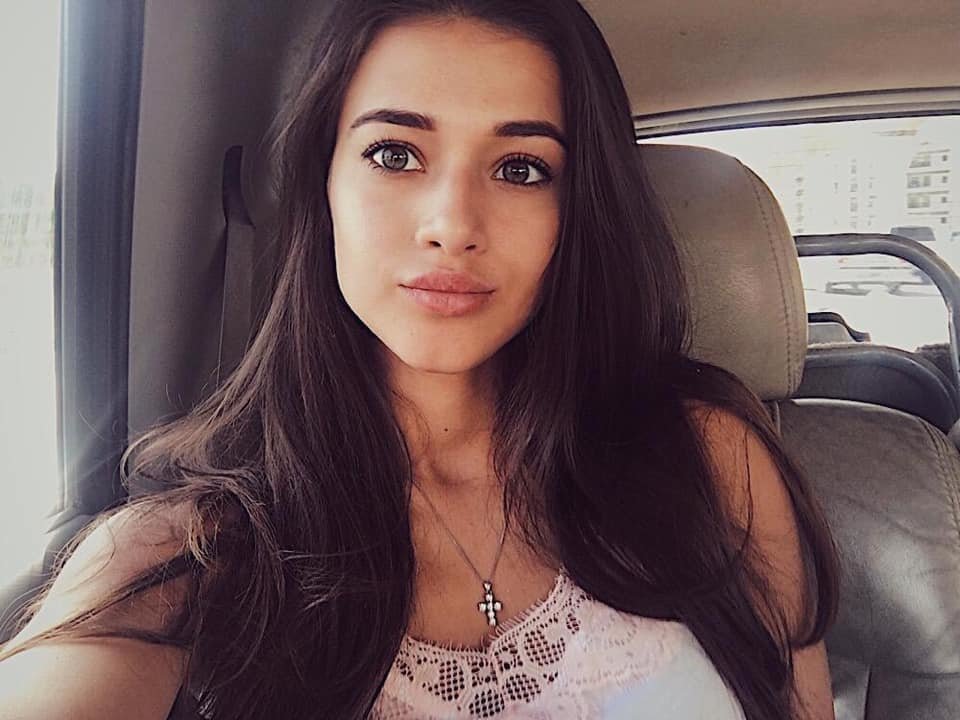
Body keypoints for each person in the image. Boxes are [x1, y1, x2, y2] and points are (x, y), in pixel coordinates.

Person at [0, 1, 840, 718]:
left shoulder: (711, 459)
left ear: (577, 213)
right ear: (324, 184)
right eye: (394, 154)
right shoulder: (184, 553)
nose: (452, 224)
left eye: (521, 168)